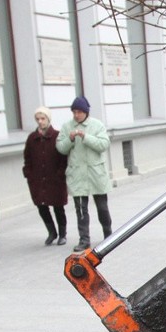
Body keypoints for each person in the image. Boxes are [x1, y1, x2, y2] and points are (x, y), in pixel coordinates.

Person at [56, 96, 112, 251]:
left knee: (102, 207)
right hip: (77, 175)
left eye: (79, 112)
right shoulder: (67, 127)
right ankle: (84, 239)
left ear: (86, 112)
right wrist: (70, 139)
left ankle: (108, 234)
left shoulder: (97, 125)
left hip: (95, 174)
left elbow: (103, 144)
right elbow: (60, 147)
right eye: (74, 111)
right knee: (81, 210)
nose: (76, 115)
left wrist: (85, 137)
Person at [22, 106, 68, 246]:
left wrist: (60, 173)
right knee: (42, 206)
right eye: (38, 119)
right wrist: (28, 173)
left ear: (48, 119)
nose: (40, 122)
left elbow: (63, 157)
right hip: (37, 179)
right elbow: (27, 157)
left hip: (54, 178)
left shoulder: (57, 136)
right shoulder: (32, 138)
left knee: (58, 206)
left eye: (43, 119)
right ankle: (51, 232)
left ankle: (62, 234)